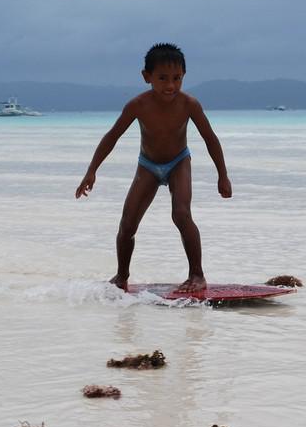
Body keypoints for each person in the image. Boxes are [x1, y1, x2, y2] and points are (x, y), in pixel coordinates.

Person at [75, 43, 232, 292]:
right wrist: (91, 170)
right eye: (162, 78)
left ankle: (197, 274)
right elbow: (112, 136)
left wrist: (223, 176)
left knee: (181, 214)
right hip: (147, 166)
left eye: (176, 78)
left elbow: (210, 138)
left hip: (179, 162)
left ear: (183, 77)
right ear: (147, 77)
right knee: (127, 225)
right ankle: (121, 276)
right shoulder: (138, 105)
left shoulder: (189, 104)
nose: (170, 85)